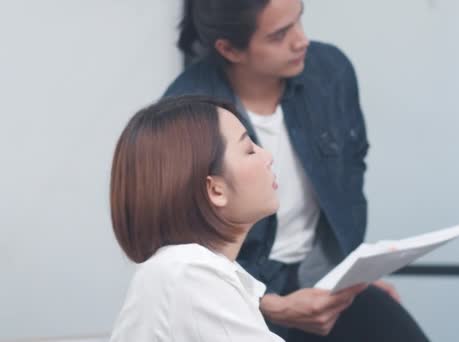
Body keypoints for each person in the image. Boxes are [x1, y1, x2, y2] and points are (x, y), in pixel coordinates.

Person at [164, 1, 430, 341]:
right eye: (279, 35)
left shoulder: (330, 72)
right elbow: (183, 250)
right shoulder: (188, 111)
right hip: (242, 293)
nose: (301, 40)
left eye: (299, 20)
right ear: (229, 49)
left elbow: (350, 175)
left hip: (326, 276)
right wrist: (267, 303)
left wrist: (353, 274)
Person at [109, 95, 314, 341]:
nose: (267, 157)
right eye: (249, 150)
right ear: (215, 190)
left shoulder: (190, 270)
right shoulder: (190, 272)